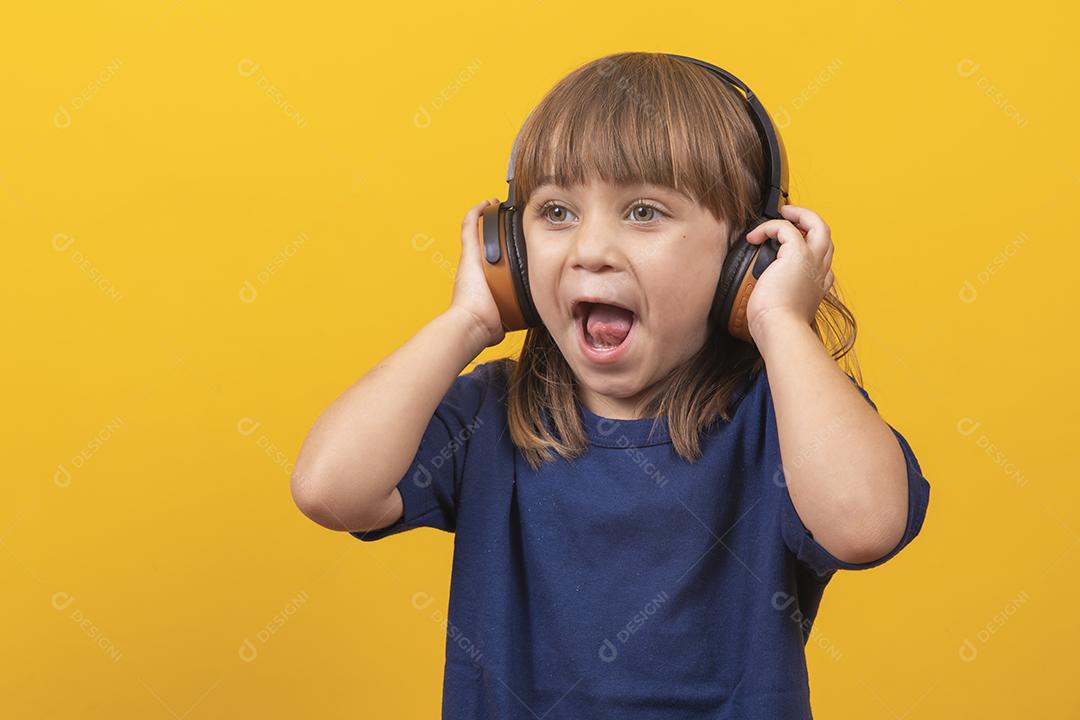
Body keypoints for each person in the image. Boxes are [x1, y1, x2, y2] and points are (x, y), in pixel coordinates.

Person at [291, 51, 931, 719]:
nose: (589, 249)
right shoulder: (493, 416)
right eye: (557, 212)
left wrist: (778, 320)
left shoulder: (783, 420)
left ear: (749, 256)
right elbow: (329, 488)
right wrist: (469, 320)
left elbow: (865, 525)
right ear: (508, 248)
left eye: (645, 212)